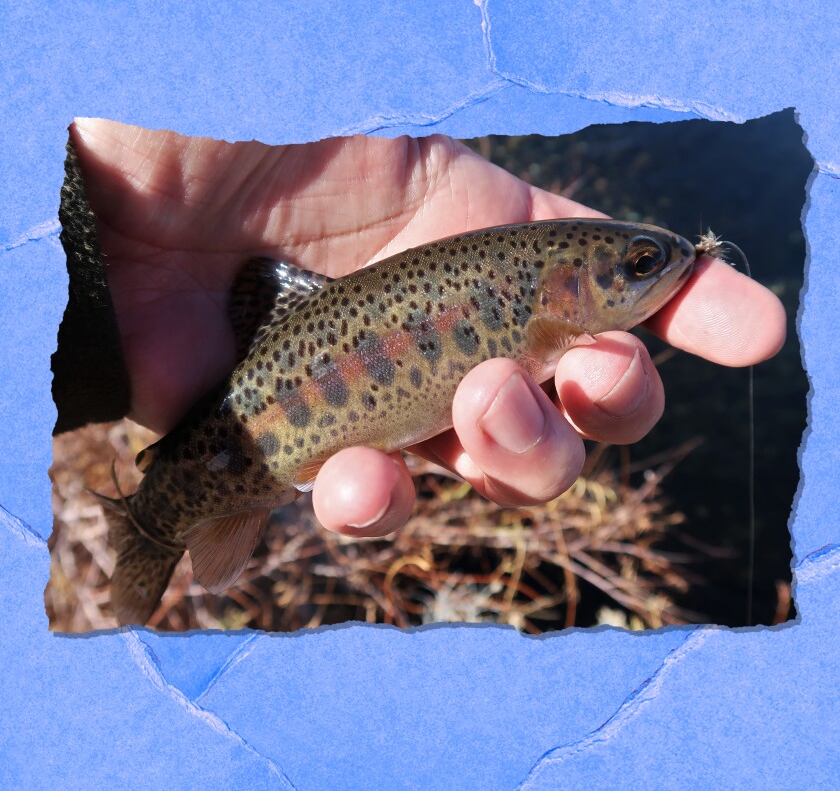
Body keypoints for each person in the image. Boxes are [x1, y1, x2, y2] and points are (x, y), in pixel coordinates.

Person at [64, 118, 785, 540]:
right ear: (561, 287)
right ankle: (149, 528)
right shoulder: (543, 314)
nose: (655, 269)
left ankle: (153, 524)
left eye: (641, 261)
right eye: (641, 263)